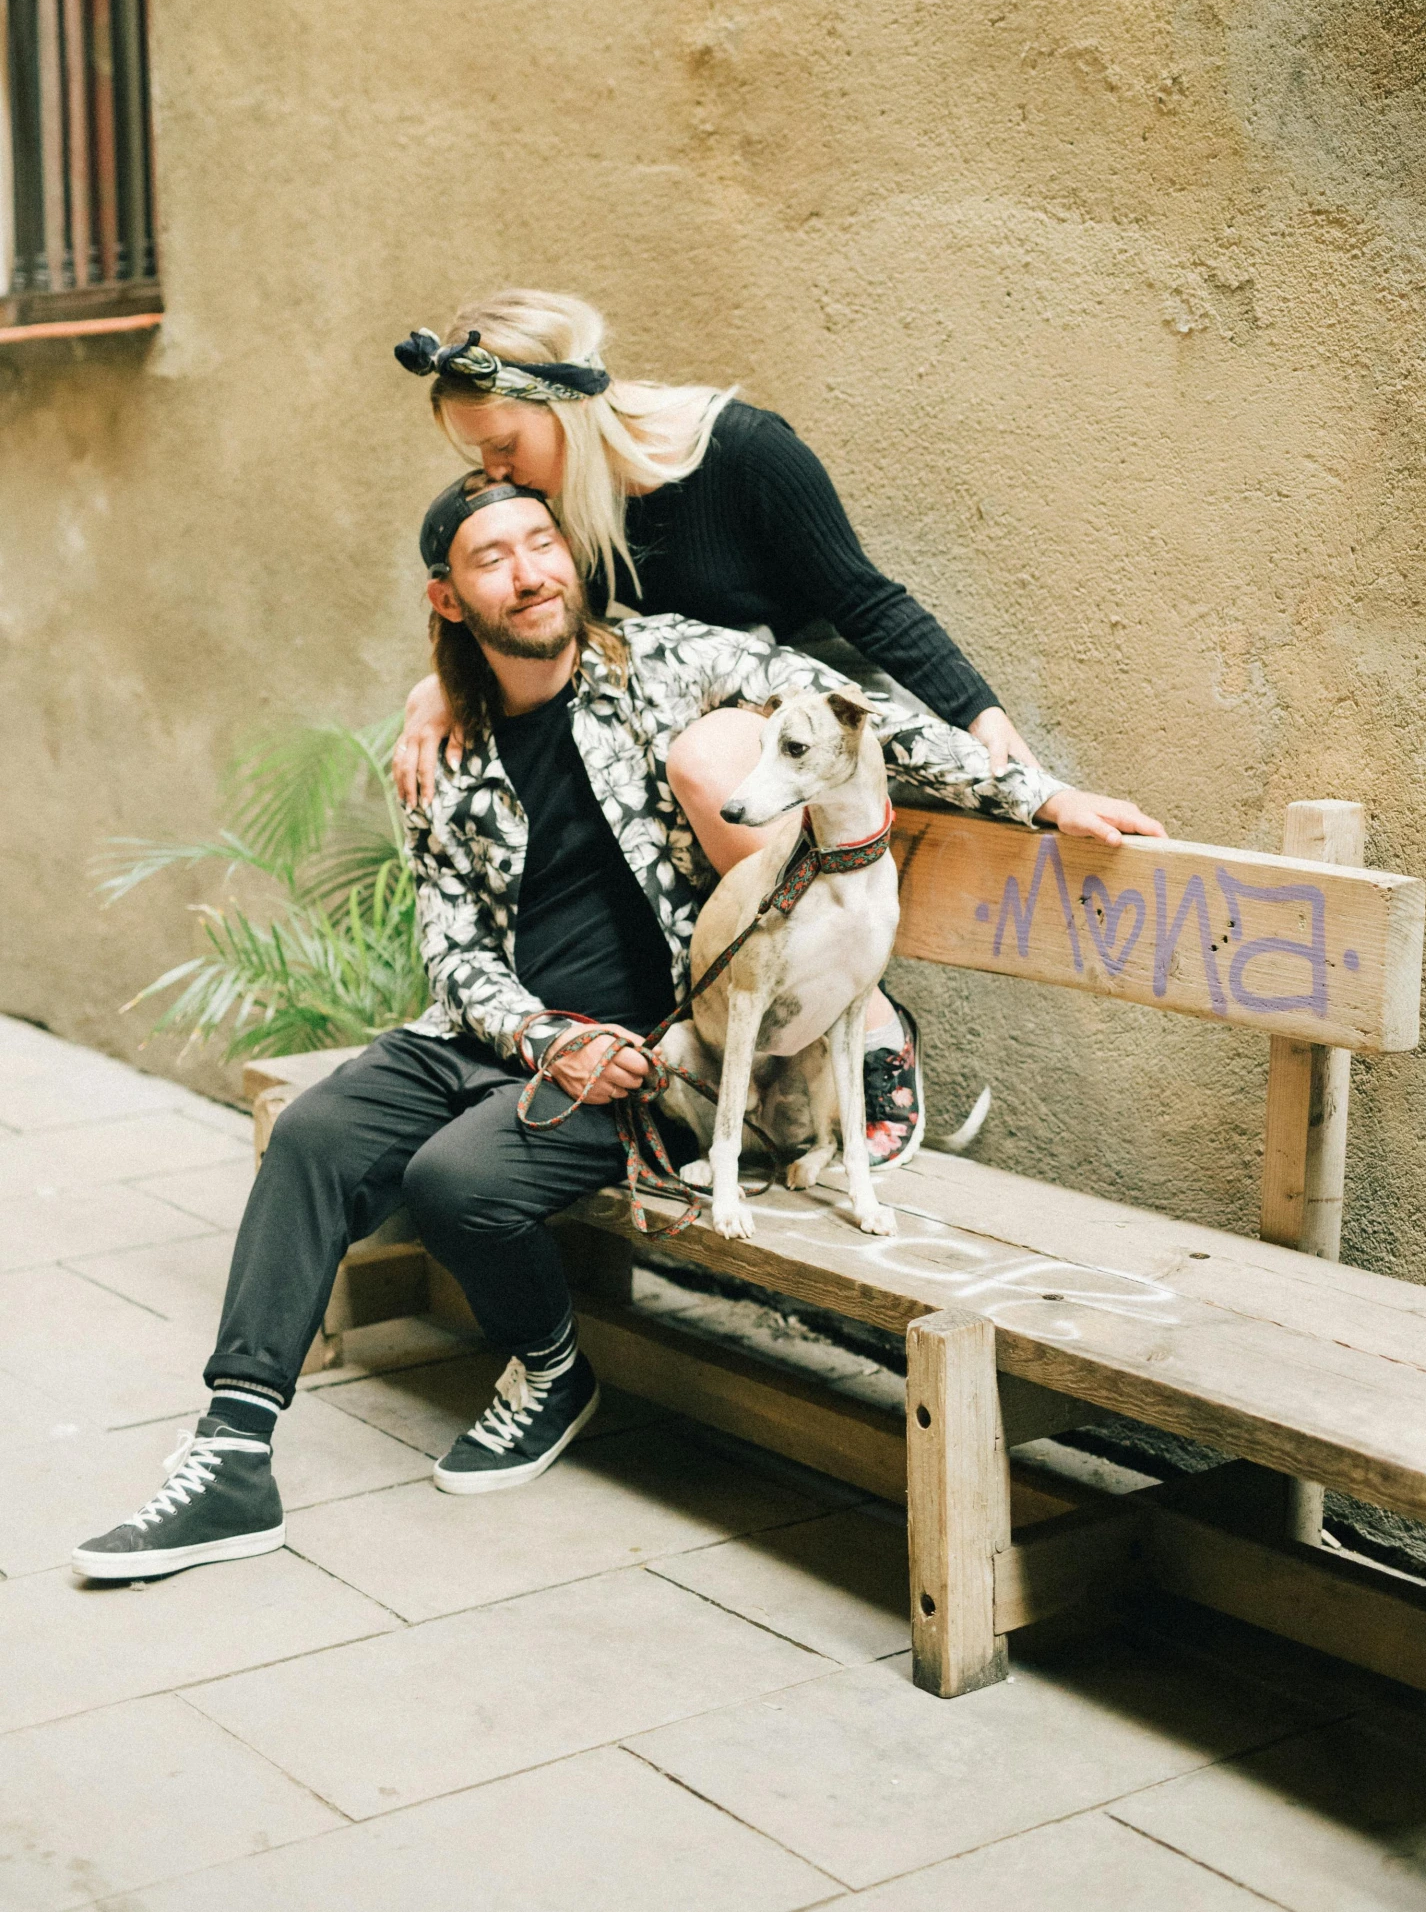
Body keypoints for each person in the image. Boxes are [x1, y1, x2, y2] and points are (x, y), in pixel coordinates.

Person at [72, 474, 1156, 1579]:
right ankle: (232, 1453)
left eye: (542, 543)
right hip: (505, 1038)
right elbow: (452, 948)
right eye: (493, 558)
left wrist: (1037, 797)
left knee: (459, 1181)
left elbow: (850, 723)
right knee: (311, 1137)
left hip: (657, 1055)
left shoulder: (670, 663)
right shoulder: (442, 750)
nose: (532, 571)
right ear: (446, 599)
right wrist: (540, 1039)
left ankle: (550, 1370)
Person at [391, 289, 1164, 1168]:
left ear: (561, 402)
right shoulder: (569, 508)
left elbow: (869, 601)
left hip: (817, 728)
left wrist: (1006, 749)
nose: (499, 473)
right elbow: (561, 640)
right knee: (685, 752)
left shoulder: (746, 454)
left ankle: (870, 1021)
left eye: (504, 445)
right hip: (732, 760)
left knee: (705, 749)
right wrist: (445, 683)